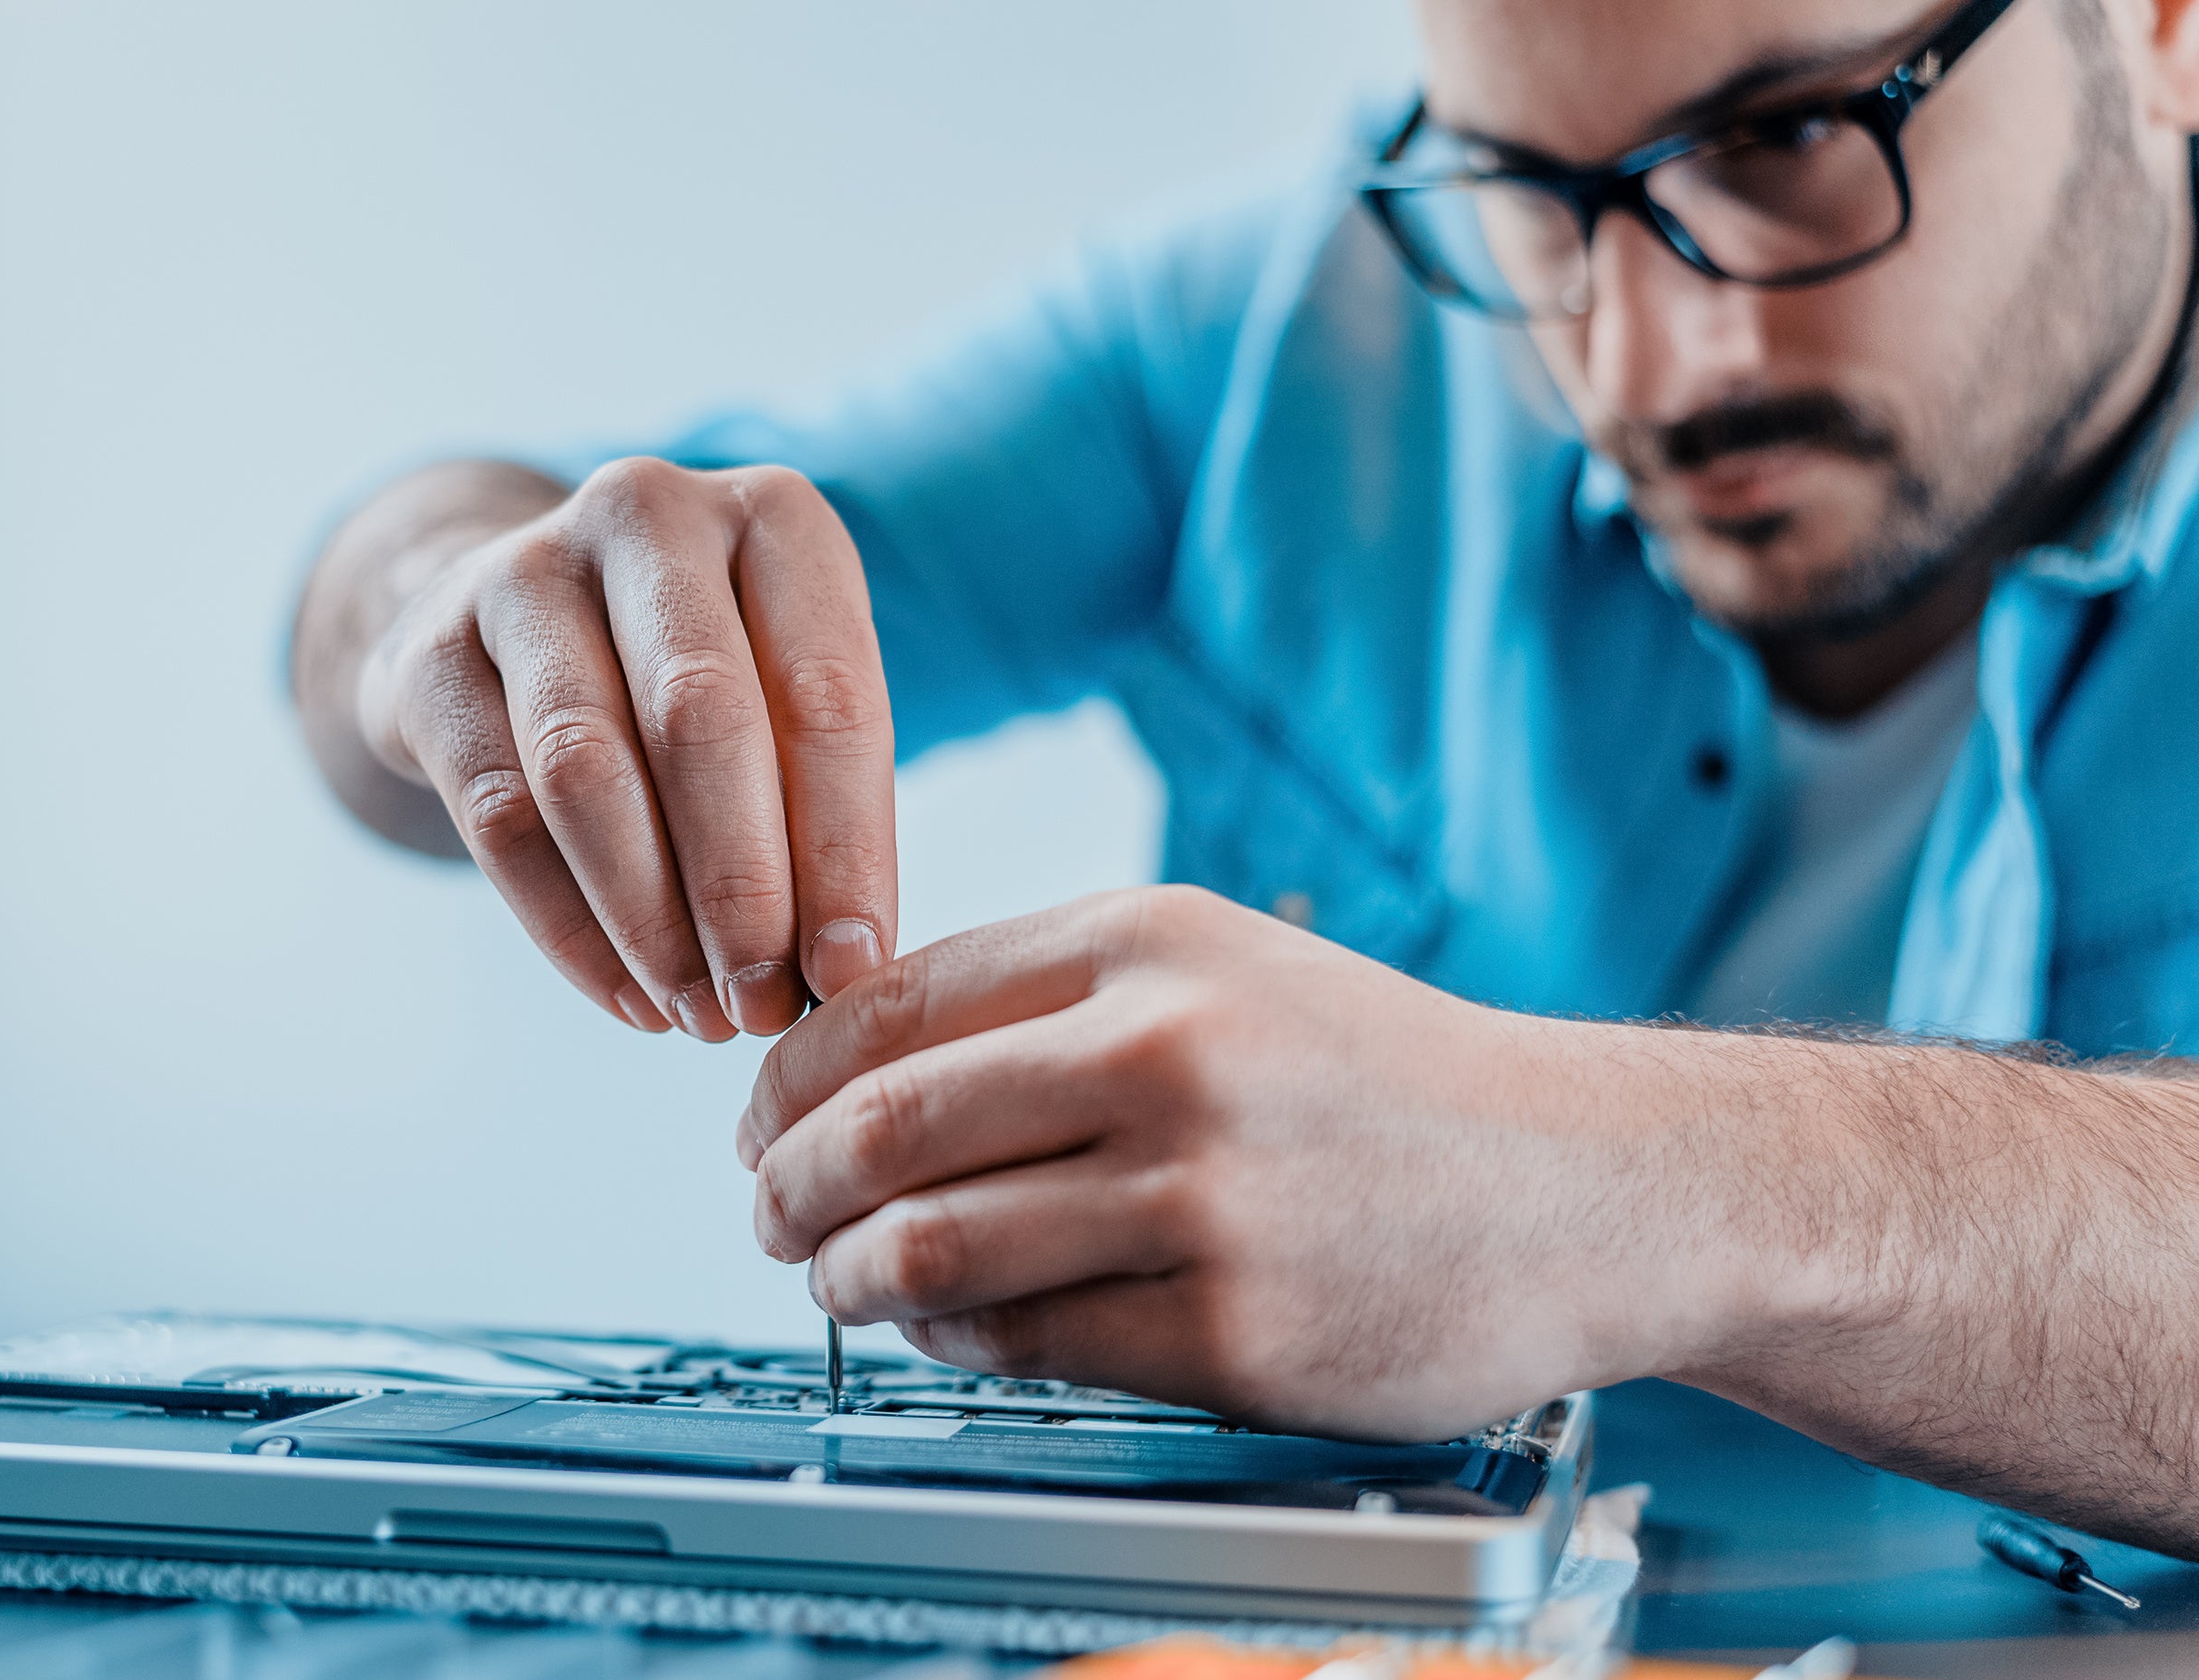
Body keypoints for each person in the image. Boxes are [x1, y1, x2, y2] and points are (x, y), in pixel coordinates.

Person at [291, 0, 2199, 1552]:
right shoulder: (1294, 331)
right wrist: (457, 620)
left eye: (1785, 139)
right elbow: (482, 572)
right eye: (1530, 192)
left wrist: (1623, 1180)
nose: (1649, 358)